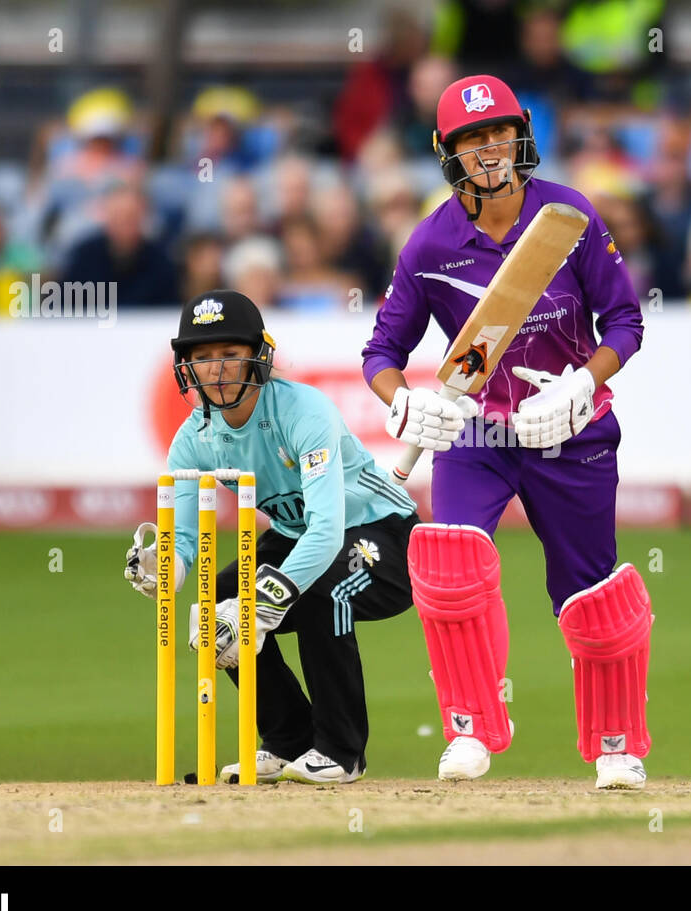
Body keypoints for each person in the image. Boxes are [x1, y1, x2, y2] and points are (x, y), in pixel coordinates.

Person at [362, 74, 652, 790]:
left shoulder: (570, 216)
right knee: (448, 561)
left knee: (588, 593)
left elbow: (626, 321)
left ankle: (616, 743)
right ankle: (470, 727)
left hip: (571, 433)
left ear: (521, 135)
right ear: (446, 152)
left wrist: (585, 384)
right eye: (471, 139)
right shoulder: (430, 244)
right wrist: (402, 405)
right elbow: (381, 354)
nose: (489, 150)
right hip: (477, 434)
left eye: (498, 133)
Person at [125, 289, 420, 784]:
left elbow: (326, 531)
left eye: (229, 355)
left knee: (323, 592)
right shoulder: (192, 441)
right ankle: (288, 740)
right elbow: (186, 540)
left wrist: (263, 604)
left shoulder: (304, 411)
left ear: (258, 355)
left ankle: (342, 752)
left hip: (381, 534)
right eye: (203, 358)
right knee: (215, 601)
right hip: (298, 536)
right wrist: (165, 569)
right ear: (186, 367)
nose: (216, 370)